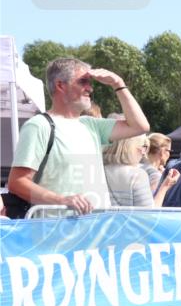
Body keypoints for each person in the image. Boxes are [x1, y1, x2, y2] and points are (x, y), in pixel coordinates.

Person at [7, 57, 151, 215]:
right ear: (60, 85)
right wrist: (62, 201)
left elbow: (140, 126)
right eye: (83, 82)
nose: (90, 88)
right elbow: (17, 182)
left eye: (90, 83)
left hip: (94, 232)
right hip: (54, 234)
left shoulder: (91, 124)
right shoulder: (39, 126)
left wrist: (118, 84)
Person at [104, 134, 178, 207]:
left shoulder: (98, 171)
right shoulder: (137, 175)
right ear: (131, 147)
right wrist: (165, 186)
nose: (144, 153)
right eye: (144, 147)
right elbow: (148, 214)